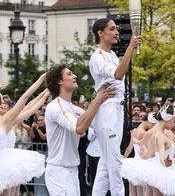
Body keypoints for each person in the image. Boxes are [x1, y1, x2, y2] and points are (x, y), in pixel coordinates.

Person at [88, 17, 141, 196]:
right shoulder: (97, 57)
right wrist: (131, 47)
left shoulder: (111, 55)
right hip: (107, 110)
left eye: (116, 28)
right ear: (100, 33)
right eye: (112, 29)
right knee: (114, 161)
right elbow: (118, 75)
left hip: (116, 109)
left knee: (105, 163)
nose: (116, 32)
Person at [44, 64, 115, 195]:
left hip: (72, 170)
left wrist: (110, 103)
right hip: (58, 172)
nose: (75, 76)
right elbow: (79, 127)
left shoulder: (74, 109)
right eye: (69, 74)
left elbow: (99, 125)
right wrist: (97, 100)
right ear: (59, 81)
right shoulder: (55, 107)